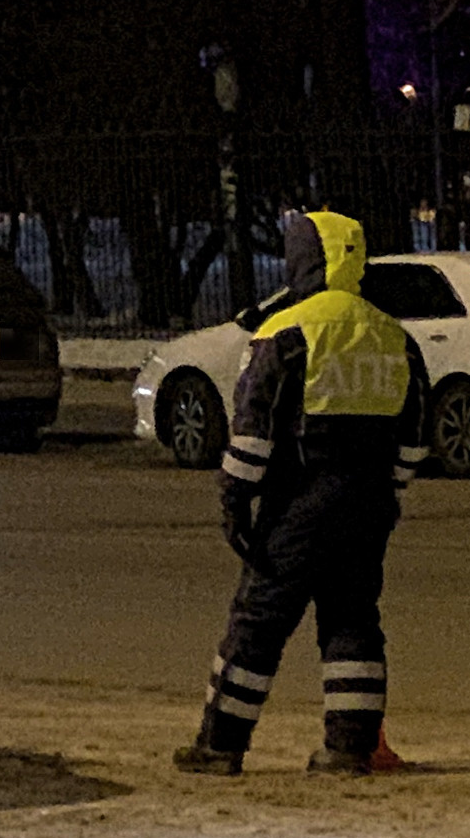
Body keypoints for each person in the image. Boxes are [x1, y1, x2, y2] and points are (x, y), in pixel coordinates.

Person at [174, 208, 429, 775]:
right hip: (368, 502)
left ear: (303, 260)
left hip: (300, 500)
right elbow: (414, 437)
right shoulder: (393, 335)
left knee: (259, 621)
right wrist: (389, 490)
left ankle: (220, 746)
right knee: (353, 619)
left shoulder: (286, 331)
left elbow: (254, 429)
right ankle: (351, 749)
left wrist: (235, 501)